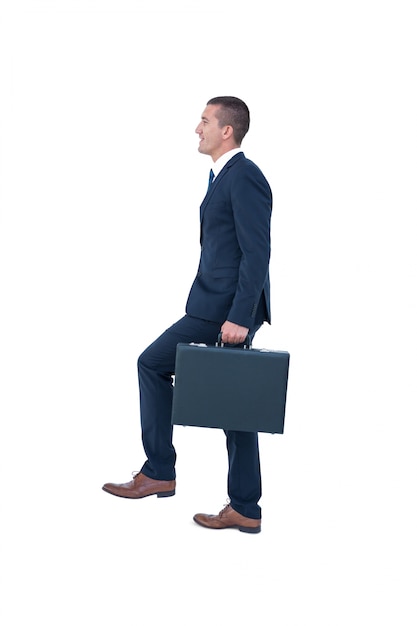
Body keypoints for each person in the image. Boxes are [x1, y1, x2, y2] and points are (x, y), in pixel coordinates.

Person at [103, 96, 272, 534]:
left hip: (223, 311)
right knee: (235, 406)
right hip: (214, 306)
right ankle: (245, 508)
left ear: (227, 130)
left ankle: (160, 470)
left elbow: (257, 254)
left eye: (204, 121)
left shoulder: (244, 177)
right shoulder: (222, 177)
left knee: (151, 364)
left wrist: (239, 316)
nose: (197, 129)